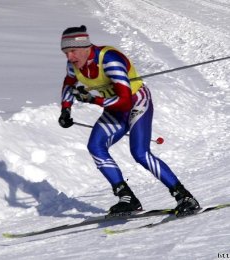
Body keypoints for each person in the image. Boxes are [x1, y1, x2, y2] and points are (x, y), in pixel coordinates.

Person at [58, 25, 200, 216]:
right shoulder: (74, 65)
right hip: (113, 108)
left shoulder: (109, 60)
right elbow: (69, 83)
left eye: (73, 51)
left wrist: (93, 99)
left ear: (85, 47)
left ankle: (184, 196)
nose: (69, 57)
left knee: (139, 152)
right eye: (65, 52)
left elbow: (124, 101)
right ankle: (126, 197)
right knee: (95, 146)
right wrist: (65, 110)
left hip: (135, 102)